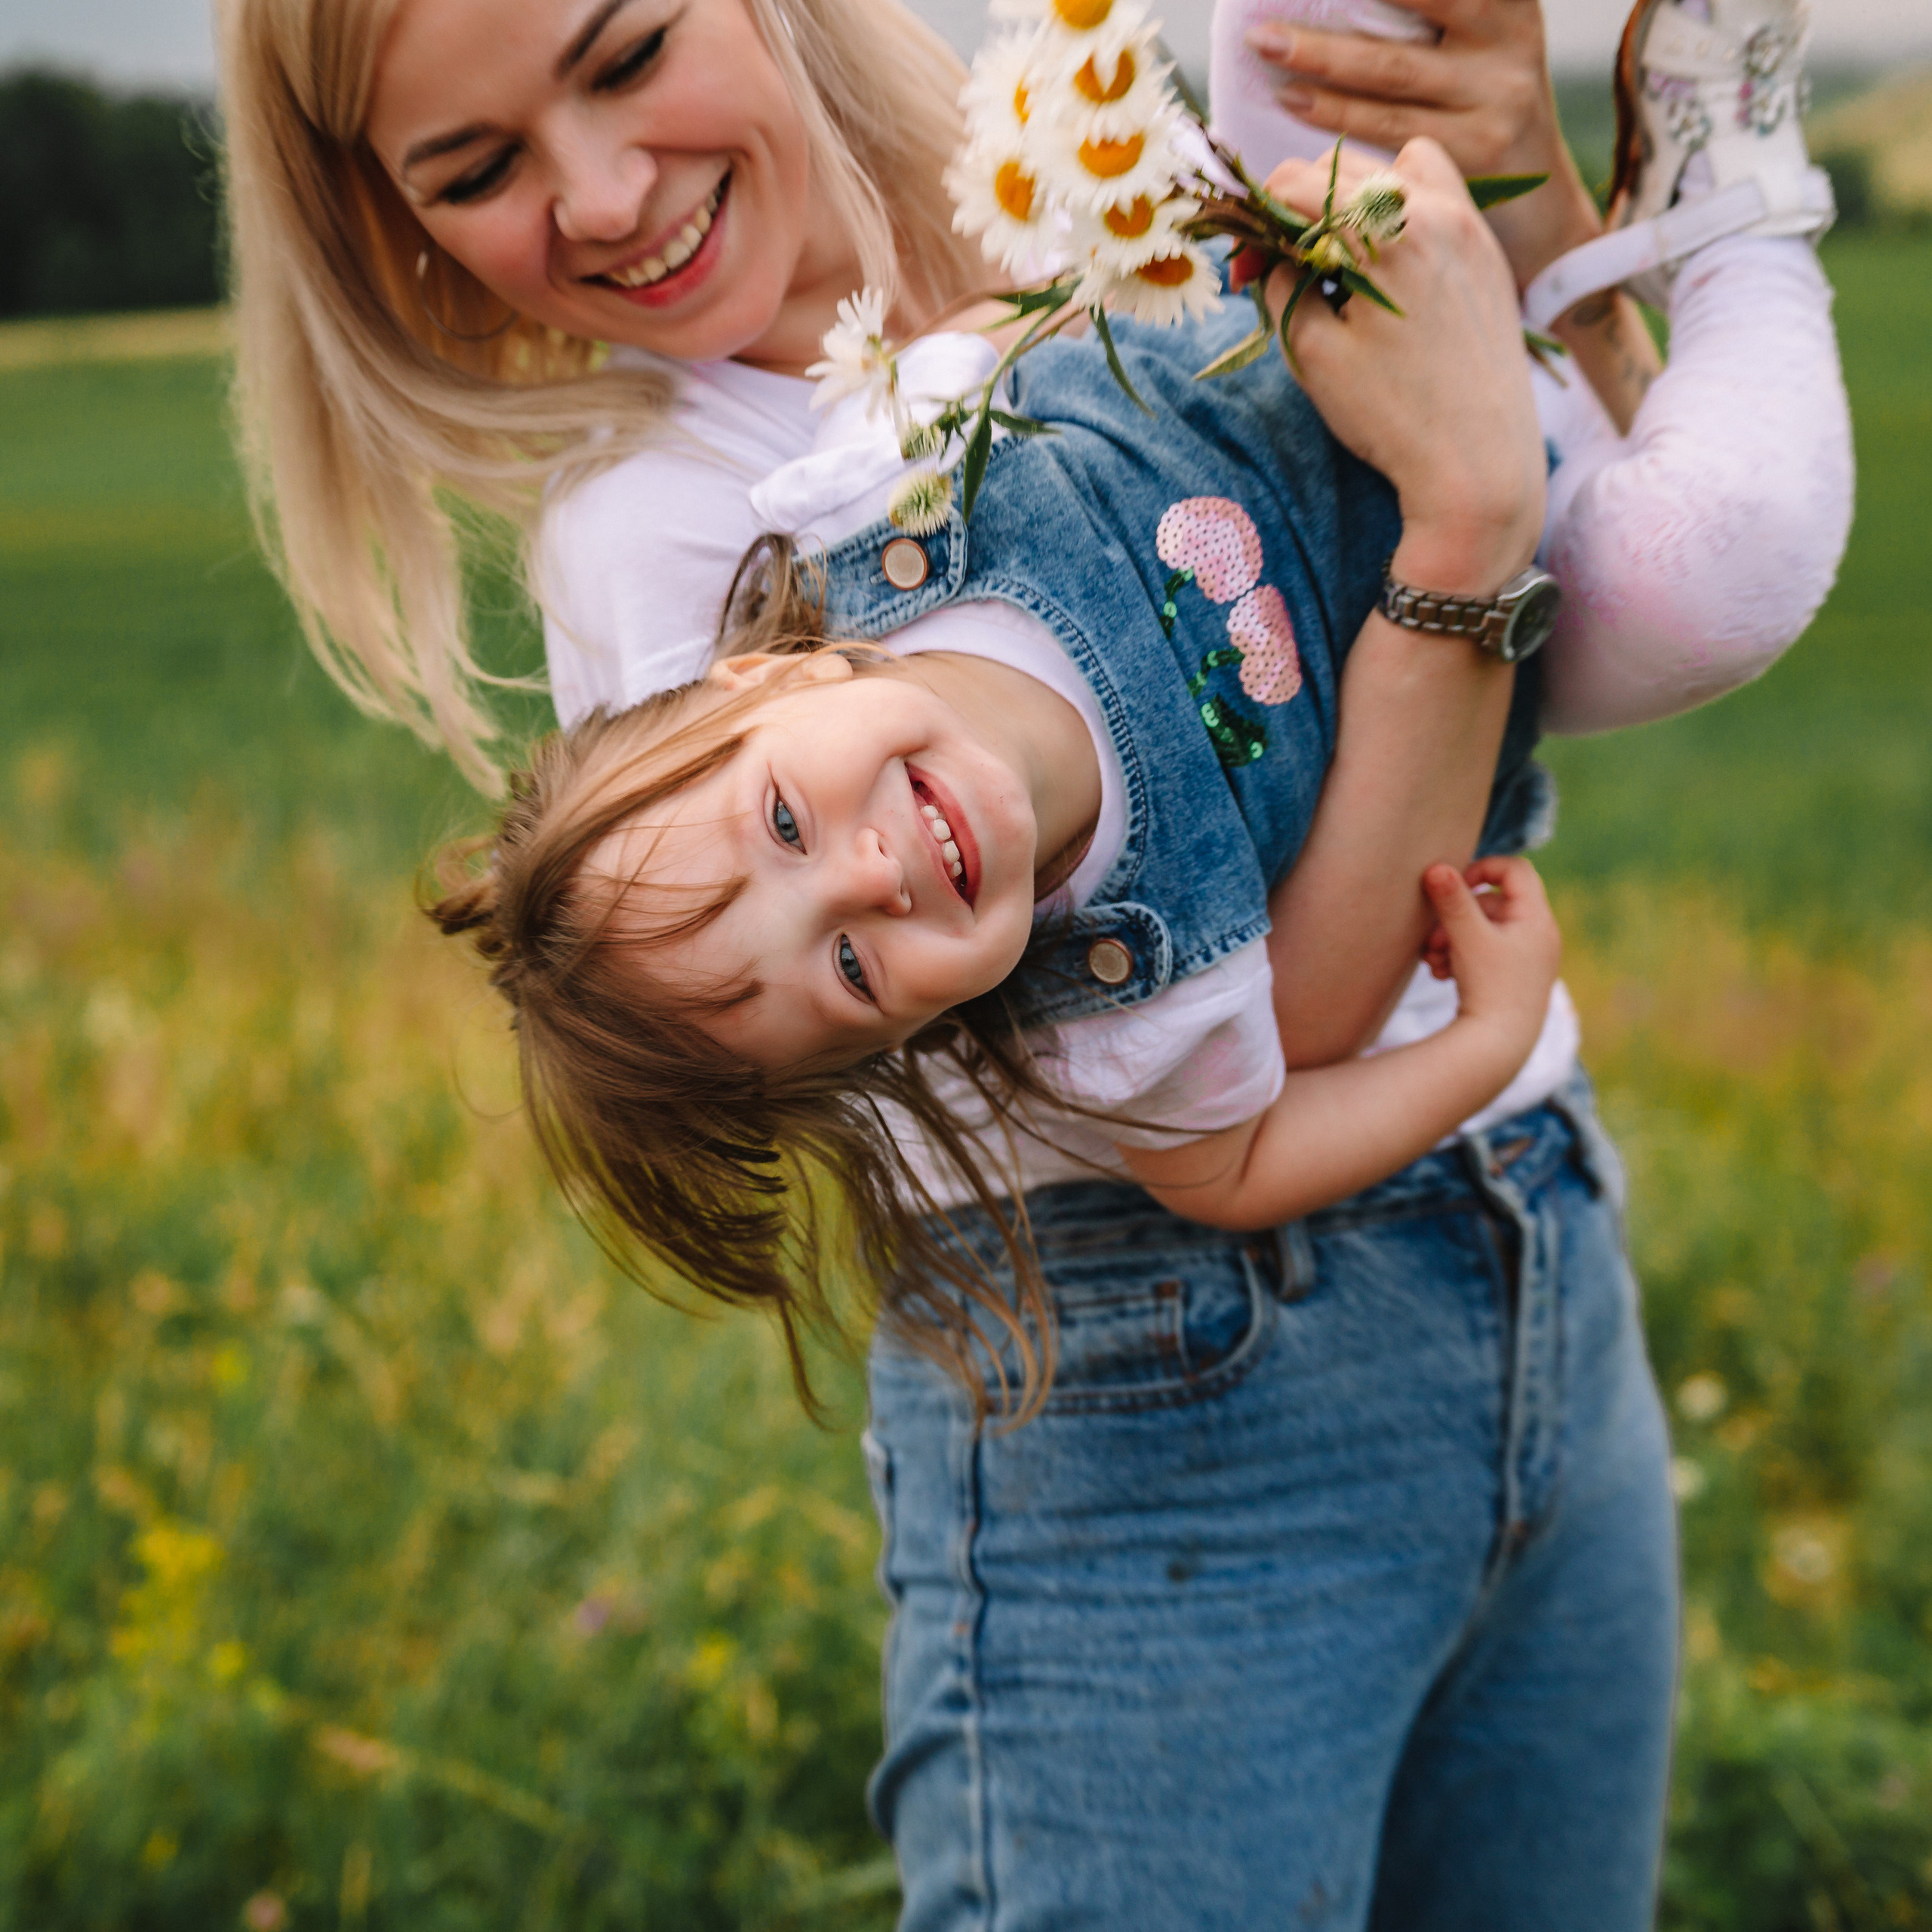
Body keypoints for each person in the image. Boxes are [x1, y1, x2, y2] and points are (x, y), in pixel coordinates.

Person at [210, 0, 1841, 1921]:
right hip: (1167, 1396)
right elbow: (1282, 1004)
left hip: (1526, 1228)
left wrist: (1524, 200)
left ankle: (1702, 171)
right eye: (474, 168)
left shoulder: (1058, 215)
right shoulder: (670, 530)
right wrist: (1462, 512)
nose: (601, 194)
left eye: (627, 53)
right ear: (386, 222)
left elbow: (1598, 520)